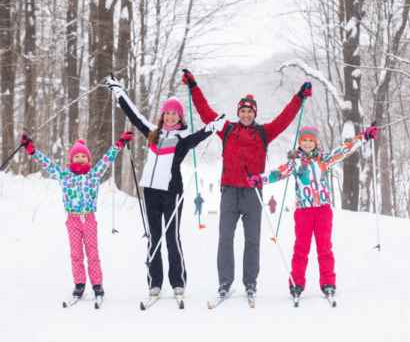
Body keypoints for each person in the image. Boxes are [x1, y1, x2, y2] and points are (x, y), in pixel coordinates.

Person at [182, 69, 311, 297]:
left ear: (254, 113)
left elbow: (285, 118)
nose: (245, 115)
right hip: (229, 192)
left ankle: (250, 282)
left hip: (253, 194)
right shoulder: (227, 129)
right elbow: (205, 113)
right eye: (242, 111)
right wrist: (193, 87)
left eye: (249, 111)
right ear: (238, 112)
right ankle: (225, 282)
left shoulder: (264, 132)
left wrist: (299, 98)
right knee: (225, 239)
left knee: (252, 240)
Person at [106, 76, 225, 298]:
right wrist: (119, 92)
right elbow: (134, 115)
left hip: (172, 193)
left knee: (172, 238)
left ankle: (178, 281)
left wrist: (213, 127)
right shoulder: (153, 132)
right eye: (167, 113)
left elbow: (199, 136)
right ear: (163, 115)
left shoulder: (183, 137)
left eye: (174, 114)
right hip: (150, 192)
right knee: (154, 237)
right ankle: (155, 282)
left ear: (180, 117)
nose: (170, 117)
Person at [247, 125, 378, 299]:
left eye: (311, 140)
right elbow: (278, 173)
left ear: (315, 143)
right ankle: (297, 283)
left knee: (325, 248)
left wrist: (364, 137)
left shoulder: (324, 159)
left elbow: (344, 151)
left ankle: (328, 283)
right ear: (299, 142)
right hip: (304, 212)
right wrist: (260, 179)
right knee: (301, 249)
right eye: (304, 140)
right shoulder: (295, 162)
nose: (307, 143)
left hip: (323, 211)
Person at [20, 131, 134, 299]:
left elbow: (107, 159)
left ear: (88, 159)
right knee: (76, 254)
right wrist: (32, 150)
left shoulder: (94, 174)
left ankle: (97, 285)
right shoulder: (64, 175)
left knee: (93, 253)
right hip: (72, 220)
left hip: (88, 219)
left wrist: (119, 143)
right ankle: (79, 284)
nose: (80, 158)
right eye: (76, 156)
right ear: (71, 160)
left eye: (83, 156)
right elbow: (48, 165)